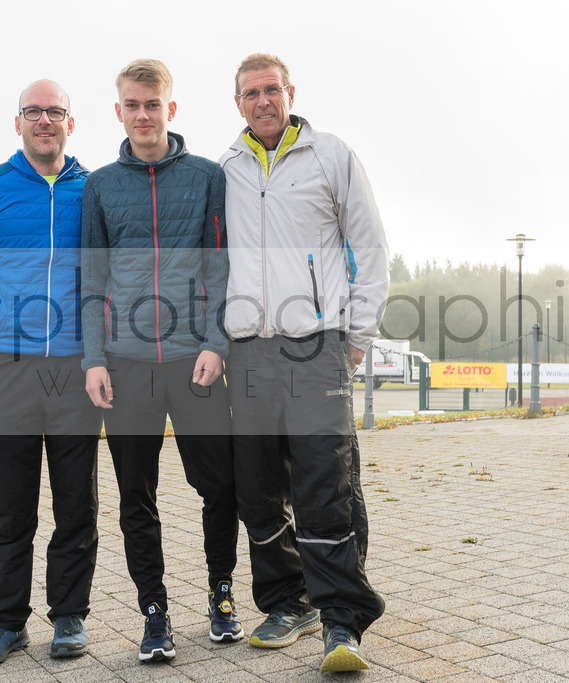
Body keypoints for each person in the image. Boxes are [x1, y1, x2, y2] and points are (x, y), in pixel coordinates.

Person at [218, 53, 390, 672]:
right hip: (249, 353)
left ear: (291, 92)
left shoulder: (331, 155)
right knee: (259, 490)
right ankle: (286, 602)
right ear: (236, 102)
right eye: (250, 93)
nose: (262, 101)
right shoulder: (227, 168)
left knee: (325, 484)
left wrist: (356, 335)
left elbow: (369, 246)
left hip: (317, 344)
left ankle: (342, 618)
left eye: (272, 90)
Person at [81, 58, 241, 663]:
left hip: (193, 361)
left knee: (219, 483)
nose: (143, 115)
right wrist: (94, 358)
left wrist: (216, 343)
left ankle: (222, 593)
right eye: (132, 105)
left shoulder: (206, 177)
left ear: (170, 110)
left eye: (153, 104)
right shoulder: (100, 186)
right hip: (125, 365)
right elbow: (91, 279)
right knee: (135, 495)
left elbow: (220, 268)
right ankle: (154, 612)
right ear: (118, 111)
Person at [0, 79, 102, 667]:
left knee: (75, 504)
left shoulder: (95, 188)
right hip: (6, 367)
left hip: (75, 369)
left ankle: (68, 617)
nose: (44, 120)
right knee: (9, 507)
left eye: (54, 111)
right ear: (18, 123)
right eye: (33, 112)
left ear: (70, 122)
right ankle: (6, 623)